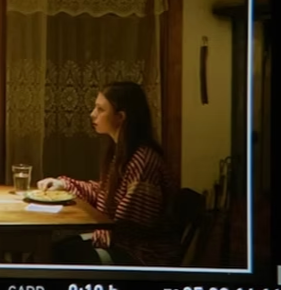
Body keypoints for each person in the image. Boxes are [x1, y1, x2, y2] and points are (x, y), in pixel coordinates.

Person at [38, 81, 181, 266]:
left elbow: (129, 223)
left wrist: (87, 223)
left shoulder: (143, 160)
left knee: (55, 252)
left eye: (100, 109)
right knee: (55, 246)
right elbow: (105, 193)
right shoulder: (122, 152)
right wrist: (65, 185)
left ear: (120, 117)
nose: (92, 114)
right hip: (120, 242)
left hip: (140, 255)